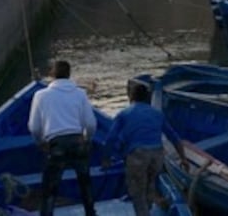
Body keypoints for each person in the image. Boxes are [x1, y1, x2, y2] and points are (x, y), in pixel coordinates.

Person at [28, 60, 98, 216]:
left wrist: (40, 142)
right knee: (85, 183)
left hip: (56, 144)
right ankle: (90, 212)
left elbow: (34, 127)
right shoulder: (80, 94)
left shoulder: (40, 95)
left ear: (52, 74)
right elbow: (91, 124)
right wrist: (88, 139)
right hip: (78, 141)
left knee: (50, 188)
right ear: (69, 74)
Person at [106, 81, 182, 216]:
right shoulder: (157, 114)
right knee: (151, 184)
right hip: (157, 155)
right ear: (147, 98)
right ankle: (148, 209)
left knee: (137, 192)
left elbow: (111, 139)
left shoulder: (124, 114)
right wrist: (184, 158)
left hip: (138, 155)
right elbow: (174, 137)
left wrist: (106, 158)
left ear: (131, 97)